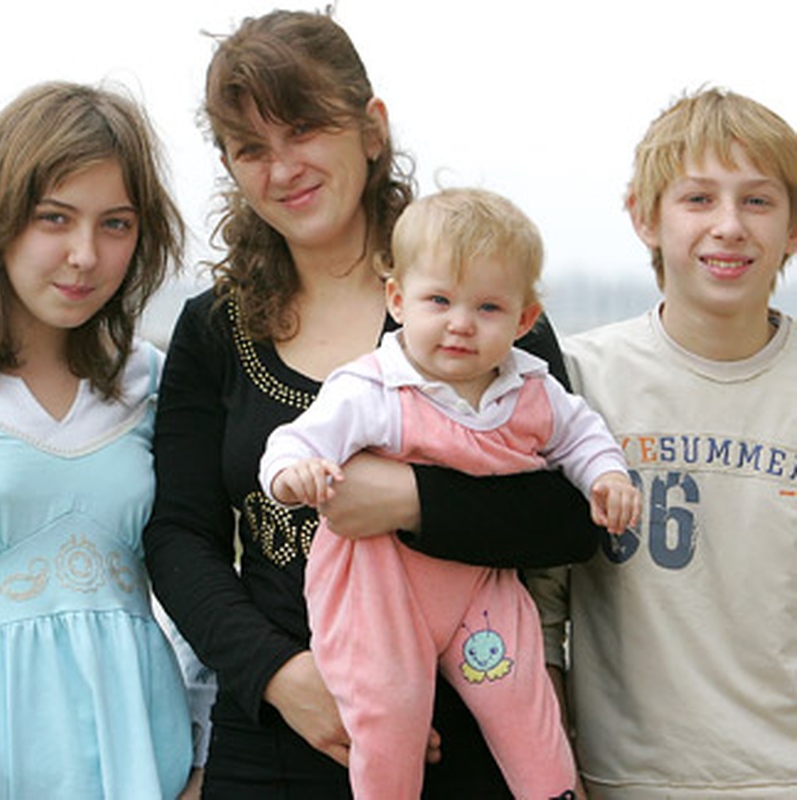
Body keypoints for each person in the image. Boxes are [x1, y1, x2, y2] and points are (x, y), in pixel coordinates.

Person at [143, 10, 603, 799]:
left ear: (371, 129)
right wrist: (280, 676)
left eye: (304, 129)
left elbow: (569, 516)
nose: (283, 167)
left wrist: (411, 499)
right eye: (251, 148)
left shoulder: (472, 304)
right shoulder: (215, 328)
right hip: (275, 742)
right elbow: (179, 536)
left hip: (467, 731)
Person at [259, 187, 641, 799]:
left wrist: (607, 477)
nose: (461, 324)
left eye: (488, 307)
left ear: (523, 320)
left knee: (523, 703)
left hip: (480, 589)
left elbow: (581, 436)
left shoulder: (530, 390)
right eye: (438, 301)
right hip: (381, 591)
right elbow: (294, 442)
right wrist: (294, 475)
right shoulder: (373, 388)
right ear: (398, 300)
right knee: (389, 717)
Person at [526, 87, 797, 799]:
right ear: (644, 216)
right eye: (698, 199)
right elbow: (541, 608)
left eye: (759, 200)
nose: (729, 226)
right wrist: (552, 768)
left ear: (793, 226)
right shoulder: (578, 381)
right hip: (620, 779)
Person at [0, 81, 195, 799]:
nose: (84, 255)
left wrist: (202, 755)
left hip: (146, 751)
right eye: (55, 218)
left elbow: (197, 569)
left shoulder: (155, 381)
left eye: (115, 224)